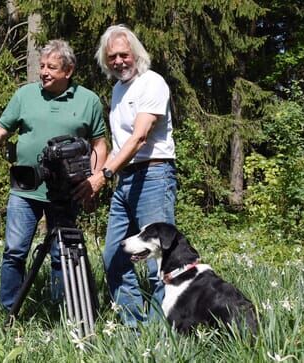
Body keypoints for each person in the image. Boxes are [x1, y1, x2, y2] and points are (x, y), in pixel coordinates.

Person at [0, 39, 107, 311]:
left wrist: (94, 182)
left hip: (67, 190)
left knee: (63, 254)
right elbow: (0, 129)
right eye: (42, 66)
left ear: (68, 71)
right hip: (25, 189)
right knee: (14, 251)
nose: (44, 72)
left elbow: (99, 144)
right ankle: (9, 311)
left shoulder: (88, 100)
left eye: (52, 67)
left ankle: (63, 312)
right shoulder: (25, 95)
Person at [74, 24, 177, 327]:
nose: (119, 61)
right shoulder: (118, 89)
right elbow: (114, 142)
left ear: (135, 54)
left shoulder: (152, 83)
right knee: (115, 256)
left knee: (157, 260)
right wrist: (99, 179)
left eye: (123, 55)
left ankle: (162, 335)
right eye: (112, 58)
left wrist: (103, 175)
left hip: (154, 176)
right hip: (125, 179)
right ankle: (135, 330)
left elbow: (139, 138)